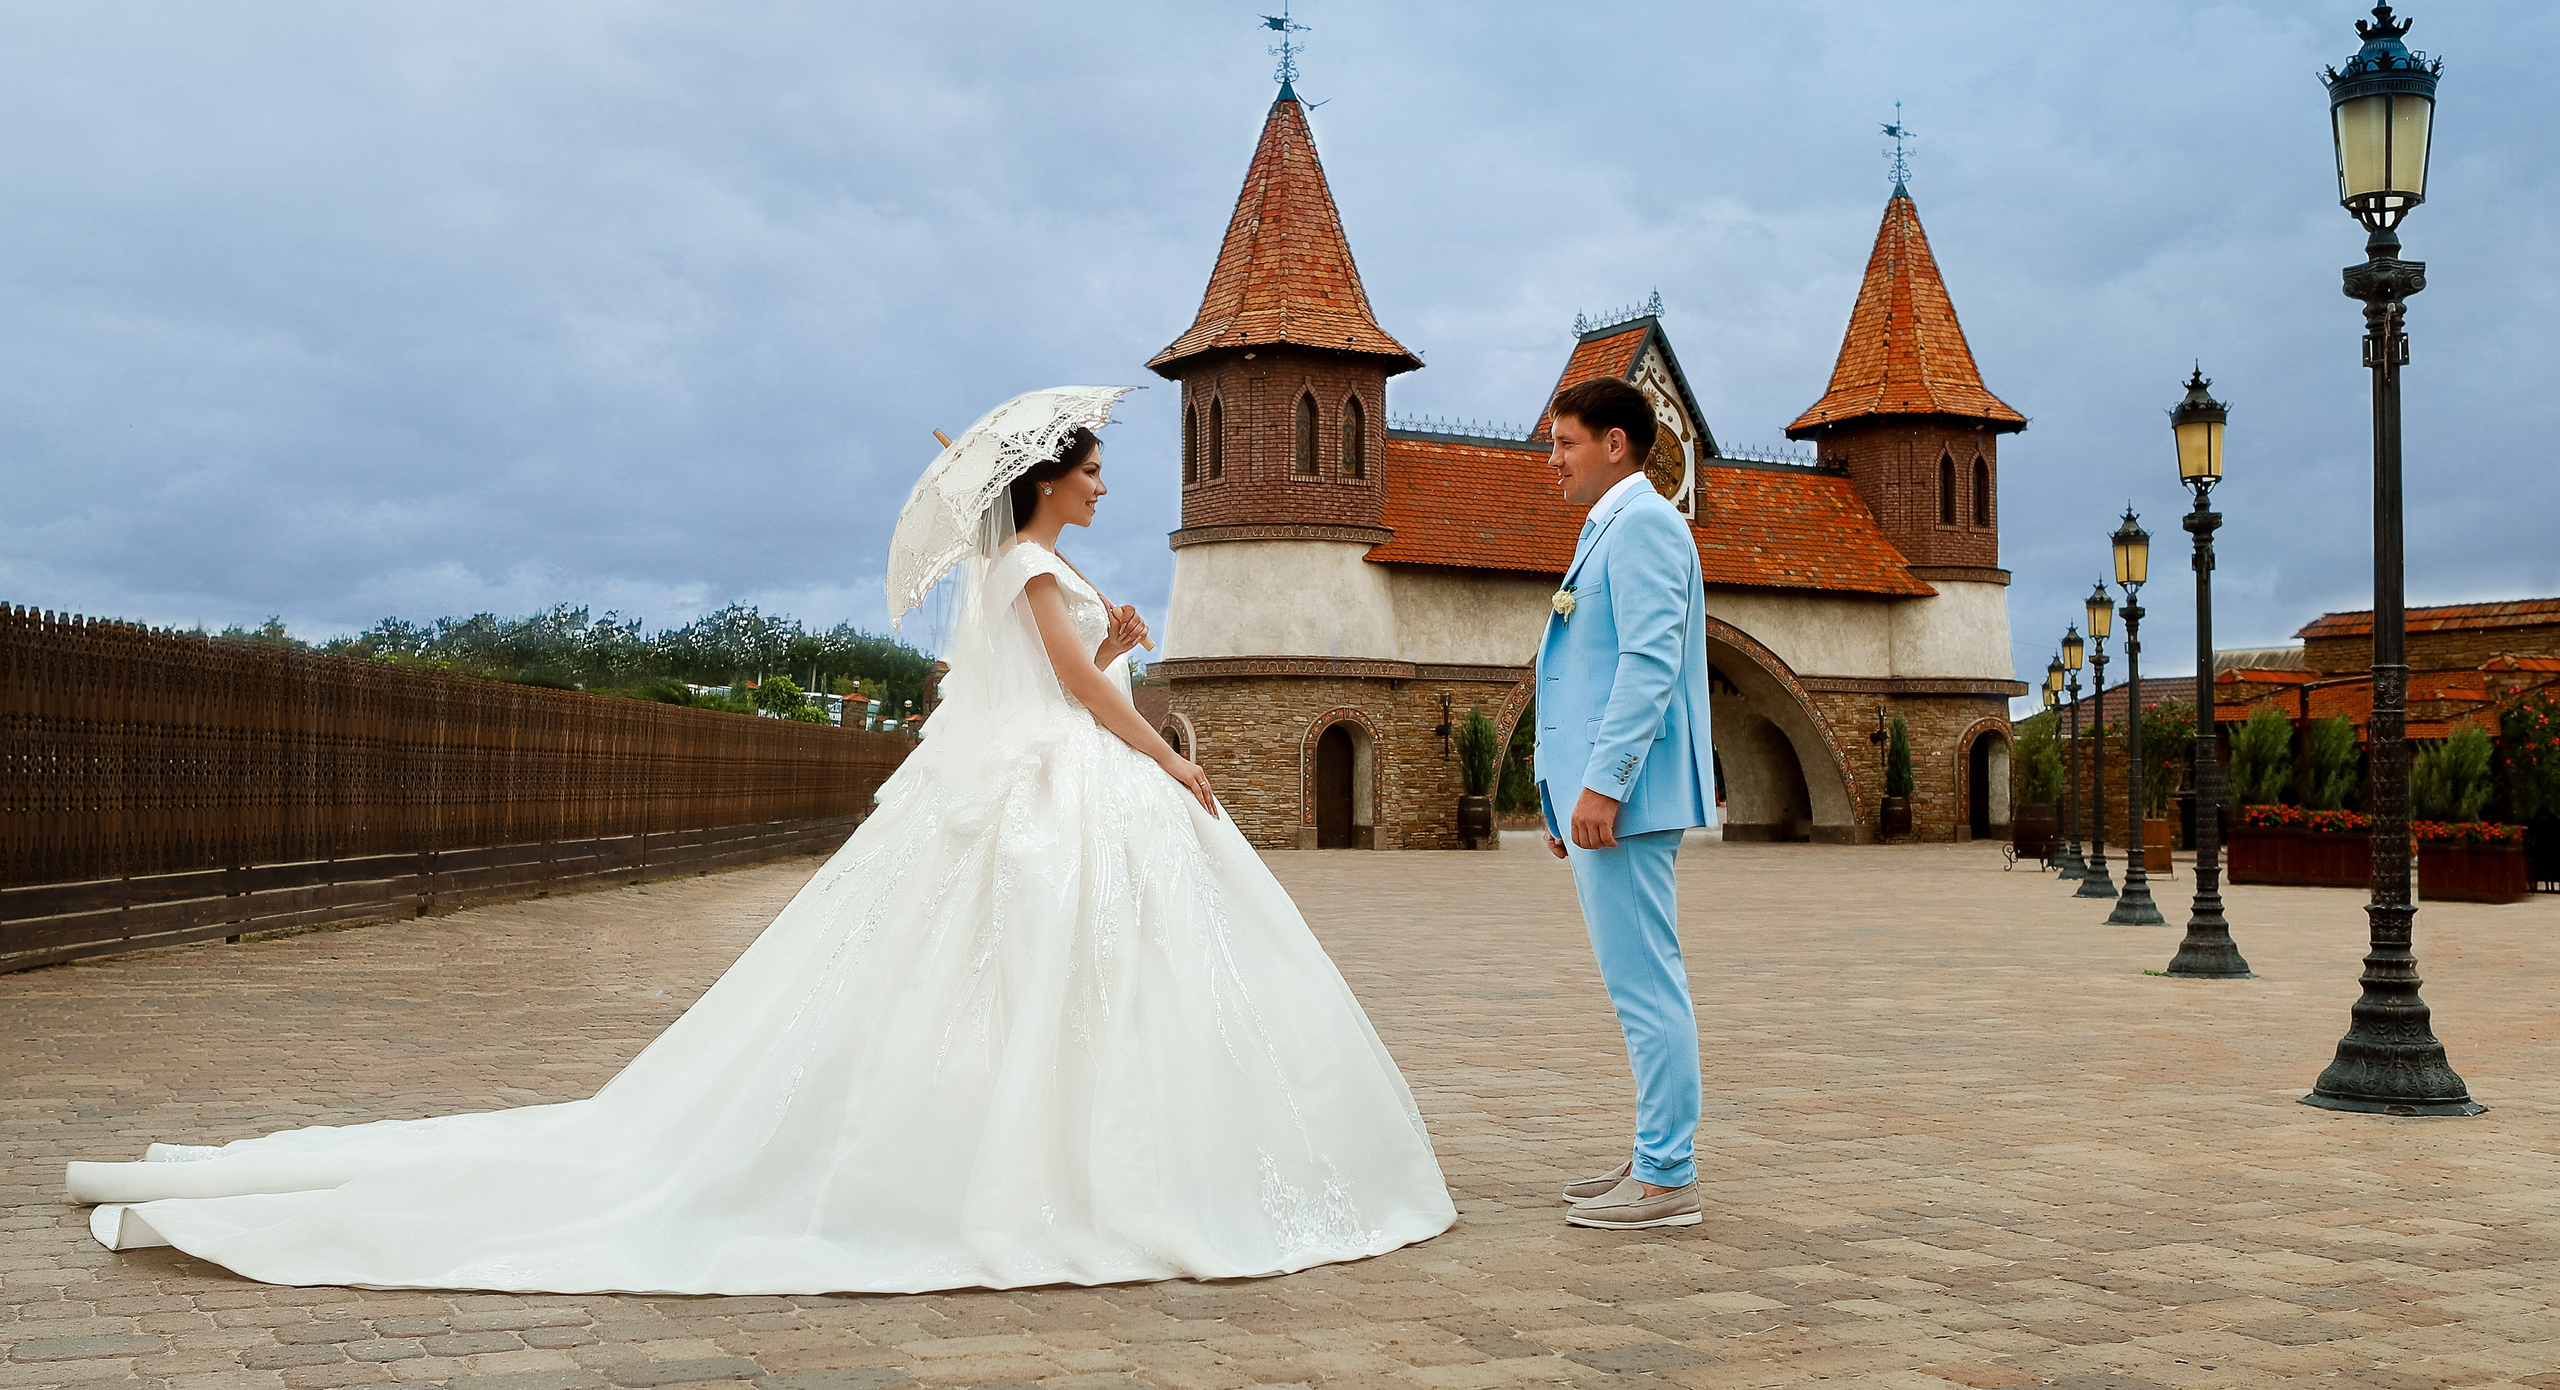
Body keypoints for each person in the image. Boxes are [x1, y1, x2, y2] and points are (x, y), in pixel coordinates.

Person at [68, 417, 1455, 1294]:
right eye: (1093, 462)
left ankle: (1067, 1137)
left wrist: (1121, 640)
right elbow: (1074, 701)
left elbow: (1067, 674)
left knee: (1063, 974)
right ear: (1049, 479)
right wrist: (1163, 745)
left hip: (1057, 766)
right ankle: (1060, 1161)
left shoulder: (1044, 575)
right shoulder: (1030, 568)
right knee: (1049, 966)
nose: (1105, 474)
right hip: (1070, 779)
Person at [1535, 376, 1715, 1230]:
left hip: (1629, 799)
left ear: (1614, 442)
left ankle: (1667, 1177)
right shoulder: (1608, 525)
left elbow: (1648, 662)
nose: (1554, 460)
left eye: (1565, 442)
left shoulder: (1643, 523)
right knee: (1635, 983)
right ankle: (1654, 1151)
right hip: (1606, 800)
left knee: (1647, 986)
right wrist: (1562, 793)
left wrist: (1603, 786)